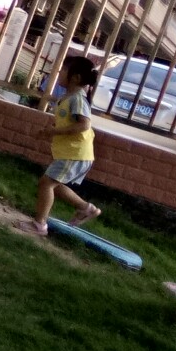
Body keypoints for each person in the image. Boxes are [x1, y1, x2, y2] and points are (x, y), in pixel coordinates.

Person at [23, 54, 104, 235]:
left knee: (46, 184)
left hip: (75, 153)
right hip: (71, 153)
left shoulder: (78, 99)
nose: (59, 73)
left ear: (75, 77)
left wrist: (54, 132)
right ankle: (86, 208)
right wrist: (49, 131)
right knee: (54, 185)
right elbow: (66, 122)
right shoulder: (68, 97)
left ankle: (39, 225)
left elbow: (84, 125)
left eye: (64, 70)